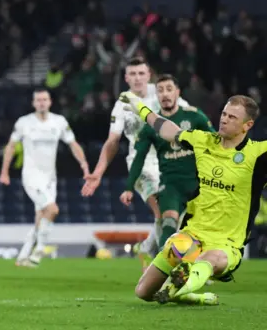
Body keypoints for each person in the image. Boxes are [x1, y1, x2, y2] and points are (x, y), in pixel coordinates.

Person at [122, 92, 264, 305]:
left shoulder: (259, 154)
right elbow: (169, 130)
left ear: (247, 125)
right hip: (193, 236)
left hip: (227, 245)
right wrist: (140, 108)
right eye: (224, 114)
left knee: (211, 259)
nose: (224, 119)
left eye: (232, 117)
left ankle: (180, 283)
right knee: (143, 292)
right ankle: (188, 293)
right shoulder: (203, 141)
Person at [81, 58, 191, 269]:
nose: (137, 78)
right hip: (141, 165)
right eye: (133, 74)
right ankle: (169, 266)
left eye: (141, 73)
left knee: (176, 215)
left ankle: (146, 248)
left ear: (148, 75)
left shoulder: (162, 93)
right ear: (126, 78)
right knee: (162, 209)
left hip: (169, 162)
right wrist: (98, 172)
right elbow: (112, 142)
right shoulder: (123, 103)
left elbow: (188, 116)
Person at [120, 74, 215, 250]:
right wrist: (128, 187)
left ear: (177, 92)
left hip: (198, 184)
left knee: (199, 231)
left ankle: (200, 268)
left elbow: (216, 143)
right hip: (170, 185)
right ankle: (167, 268)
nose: (165, 94)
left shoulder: (194, 117)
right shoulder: (150, 127)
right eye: (160, 90)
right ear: (156, 95)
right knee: (168, 221)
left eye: (169, 89)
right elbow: (139, 157)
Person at [0, 89, 90, 267]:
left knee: (41, 216)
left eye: (44, 99)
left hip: (50, 178)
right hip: (31, 177)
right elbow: (10, 146)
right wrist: (4, 171)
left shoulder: (59, 122)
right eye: (38, 100)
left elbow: (73, 144)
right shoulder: (24, 122)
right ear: (33, 103)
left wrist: (84, 164)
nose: (41, 102)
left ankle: (23, 255)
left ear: (50, 102)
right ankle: (39, 251)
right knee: (52, 209)